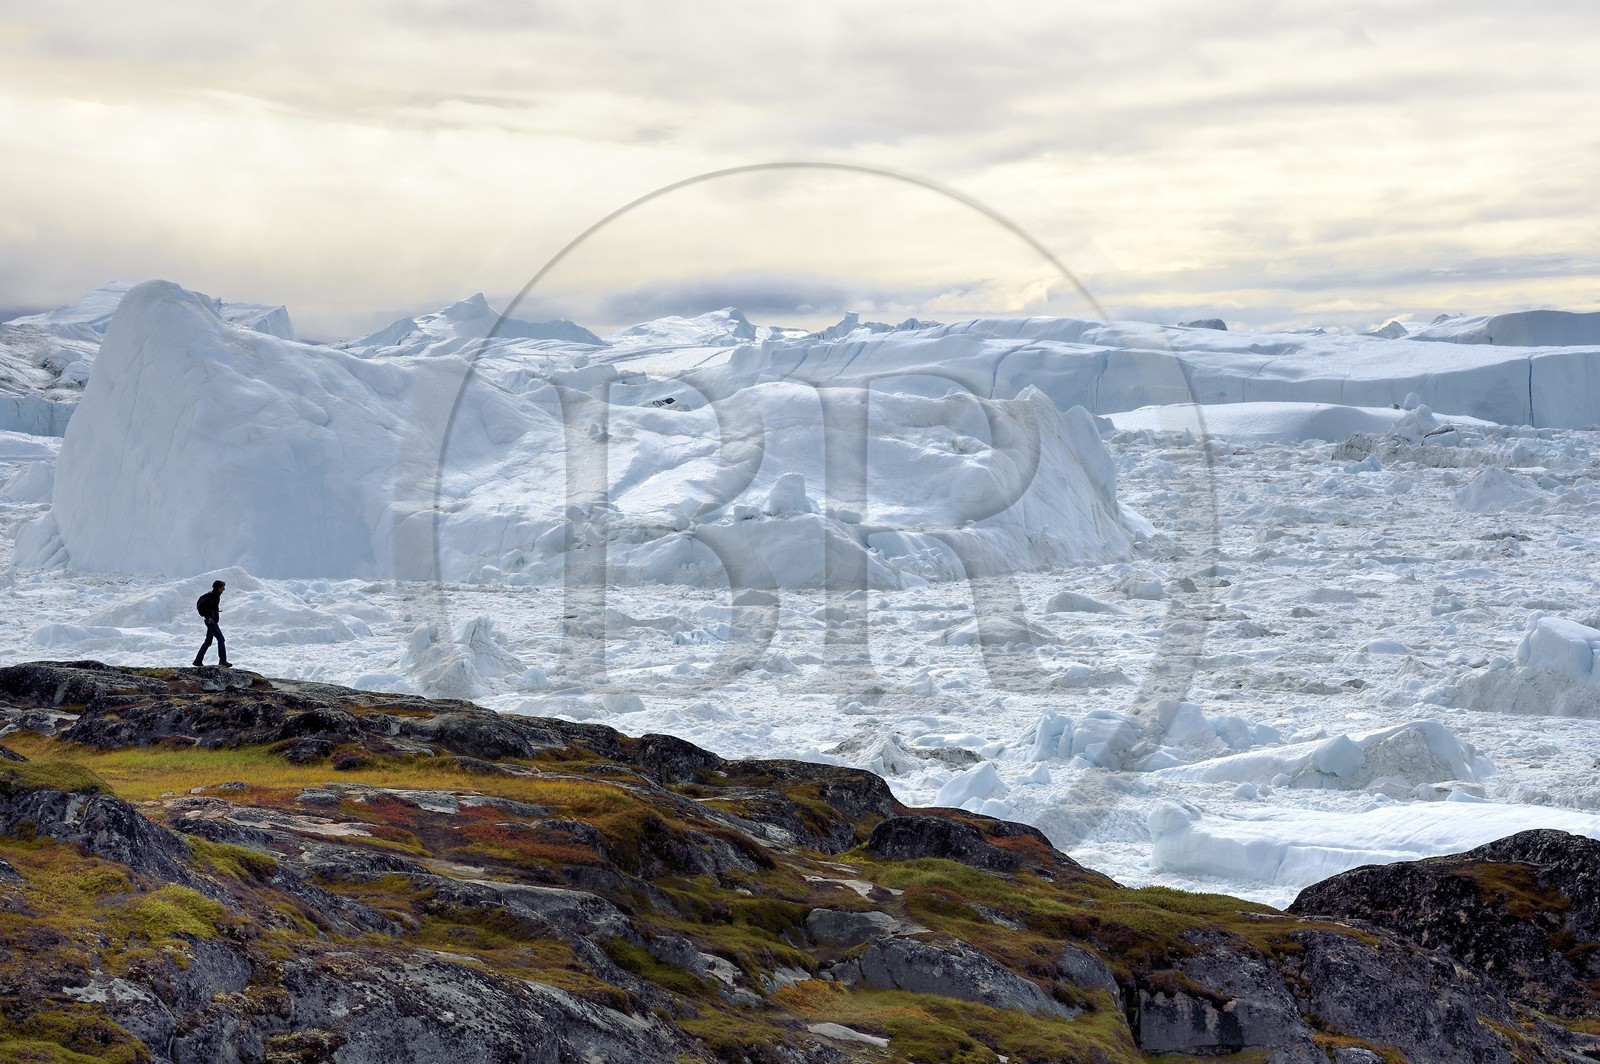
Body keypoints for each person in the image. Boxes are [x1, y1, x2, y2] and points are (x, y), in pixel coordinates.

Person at [193, 580, 230, 668]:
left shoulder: (215, 596)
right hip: (211, 621)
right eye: (222, 587)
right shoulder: (211, 596)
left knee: (208, 642)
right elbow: (202, 607)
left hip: (211, 620)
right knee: (221, 639)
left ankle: (198, 661)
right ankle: (222, 661)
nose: (224, 589)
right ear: (218, 588)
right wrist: (208, 616)